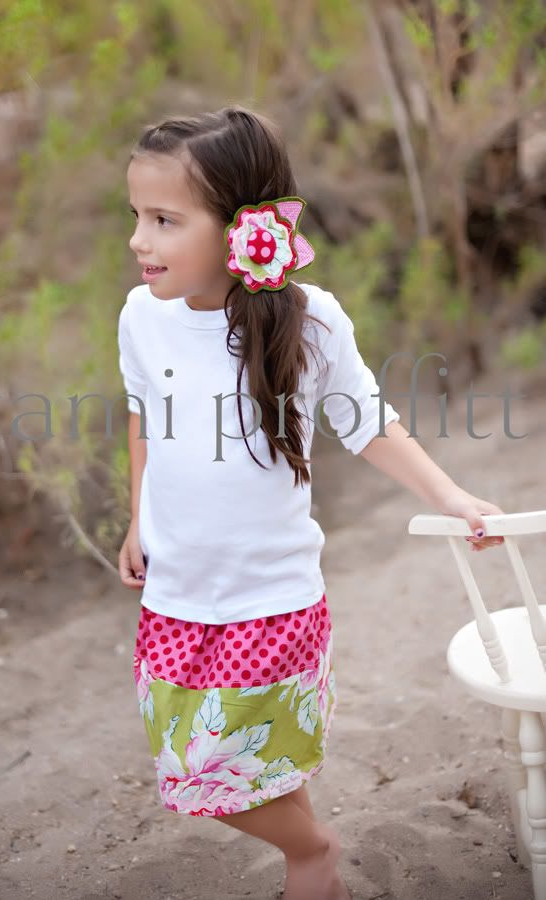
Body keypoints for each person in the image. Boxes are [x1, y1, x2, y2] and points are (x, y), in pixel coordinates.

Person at [117, 105, 505, 900]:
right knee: (245, 768)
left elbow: (367, 423)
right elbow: (143, 416)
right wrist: (136, 518)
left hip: (272, 601)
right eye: (136, 217)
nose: (138, 241)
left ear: (240, 226)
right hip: (177, 595)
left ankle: (313, 852)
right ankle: (316, 869)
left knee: (212, 771)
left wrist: (451, 494)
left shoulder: (309, 318)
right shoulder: (141, 317)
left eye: (164, 220)